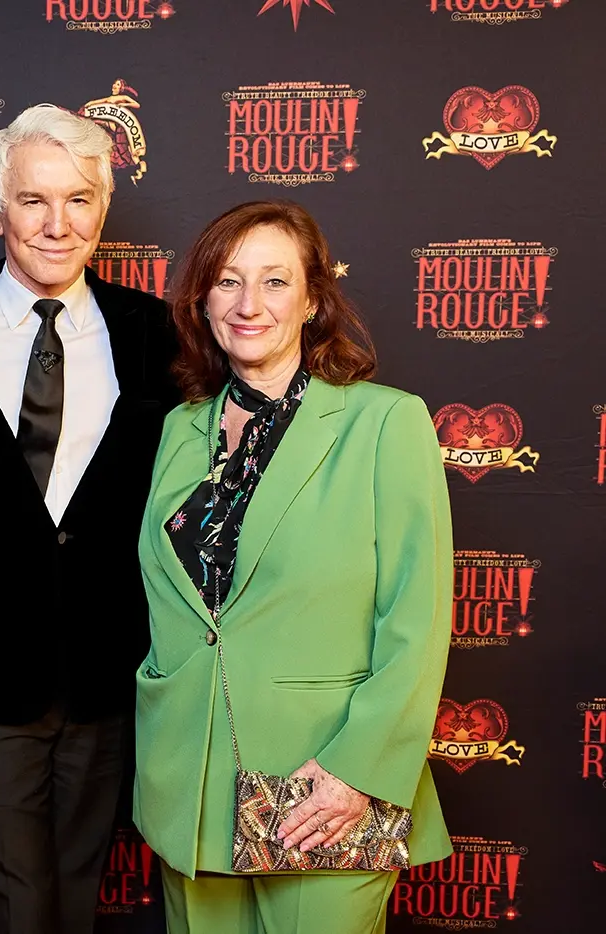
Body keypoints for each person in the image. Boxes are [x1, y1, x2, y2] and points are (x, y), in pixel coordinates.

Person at [0, 103, 178, 934]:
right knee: (3, 911)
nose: (59, 224)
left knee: (76, 898)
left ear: (104, 208)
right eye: (33, 201)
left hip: (111, 678)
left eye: (80, 199)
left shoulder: (157, 331)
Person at [134, 200, 453, 933]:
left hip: (322, 783)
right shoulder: (180, 428)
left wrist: (359, 770)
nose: (249, 305)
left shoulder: (384, 422)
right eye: (228, 281)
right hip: (192, 780)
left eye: (275, 282)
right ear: (202, 300)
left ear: (313, 300)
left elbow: (418, 617)